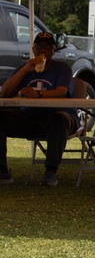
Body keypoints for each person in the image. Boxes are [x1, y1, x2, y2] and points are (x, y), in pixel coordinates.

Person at [0, 31, 78, 187]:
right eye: (39, 47)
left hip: (56, 118)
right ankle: (2, 171)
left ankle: (50, 172)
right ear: (33, 49)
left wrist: (39, 93)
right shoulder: (25, 68)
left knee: (59, 119)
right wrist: (24, 70)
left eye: (47, 48)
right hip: (29, 118)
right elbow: (5, 93)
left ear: (53, 50)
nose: (43, 51)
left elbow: (61, 92)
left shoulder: (61, 68)